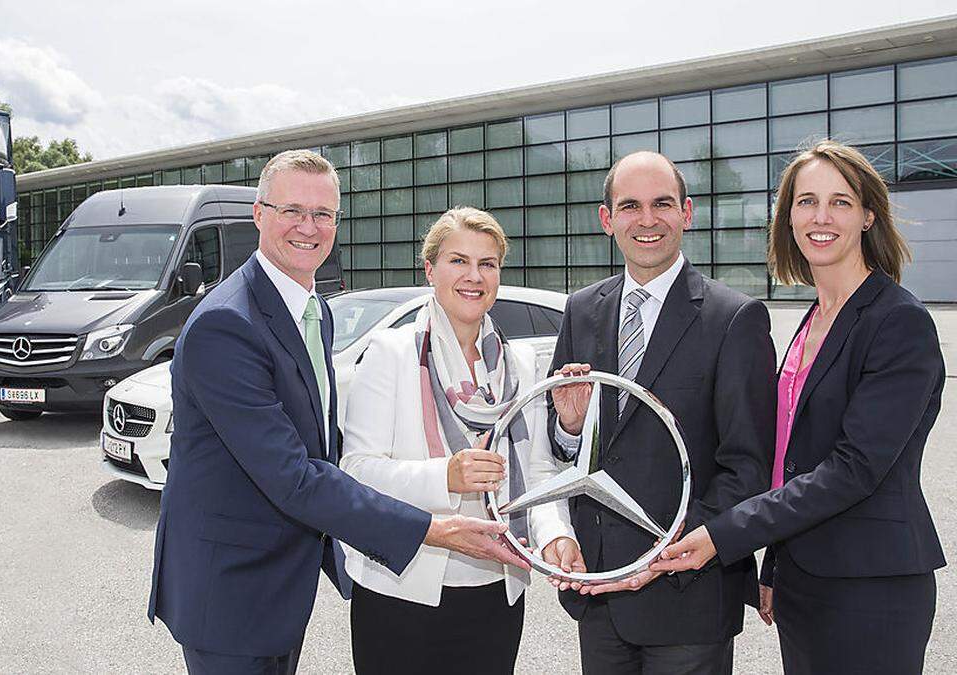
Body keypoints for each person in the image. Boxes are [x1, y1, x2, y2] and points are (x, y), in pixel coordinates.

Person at [146, 150, 528, 675]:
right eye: (292, 211)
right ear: (259, 214)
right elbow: (294, 476)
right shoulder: (226, 325)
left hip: (280, 582)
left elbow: (320, 446)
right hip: (230, 587)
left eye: (323, 214)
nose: (309, 227)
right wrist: (429, 530)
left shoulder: (313, 311)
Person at [653, 140, 946, 674]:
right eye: (806, 201)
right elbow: (794, 459)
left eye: (840, 201)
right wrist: (776, 566)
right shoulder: (813, 319)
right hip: (805, 582)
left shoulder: (897, 320)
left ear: (867, 216)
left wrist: (725, 534)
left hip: (871, 587)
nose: (821, 216)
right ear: (788, 217)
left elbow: (853, 469)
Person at [546, 151, 776, 674]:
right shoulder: (582, 309)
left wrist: (677, 545)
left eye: (662, 204)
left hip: (688, 596)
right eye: (630, 206)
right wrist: (570, 425)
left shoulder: (734, 318)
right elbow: (561, 447)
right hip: (601, 591)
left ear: (687, 212)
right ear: (607, 220)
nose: (646, 220)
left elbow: (749, 466)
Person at [340, 207, 582, 674]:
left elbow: (537, 474)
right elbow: (357, 472)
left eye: (487, 264)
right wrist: (446, 476)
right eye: (458, 261)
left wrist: (555, 536)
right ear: (430, 270)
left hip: (494, 593)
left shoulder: (519, 366)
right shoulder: (392, 353)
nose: (474, 276)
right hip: (403, 591)